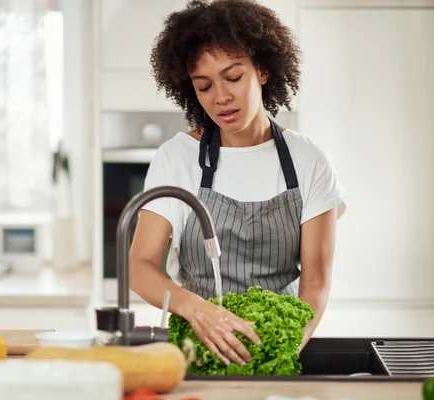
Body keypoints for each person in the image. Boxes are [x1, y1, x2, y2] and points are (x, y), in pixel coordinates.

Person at [129, 0, 348, 367]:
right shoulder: (177, 159)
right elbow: (140, 266)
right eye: (204, 86)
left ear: (262, 70)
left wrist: (276, 354)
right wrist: (198, 311)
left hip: (281, 350)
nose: (220, 97)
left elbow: (316, 283)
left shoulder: (309, 161)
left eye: (233, 77)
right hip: (197, 356)